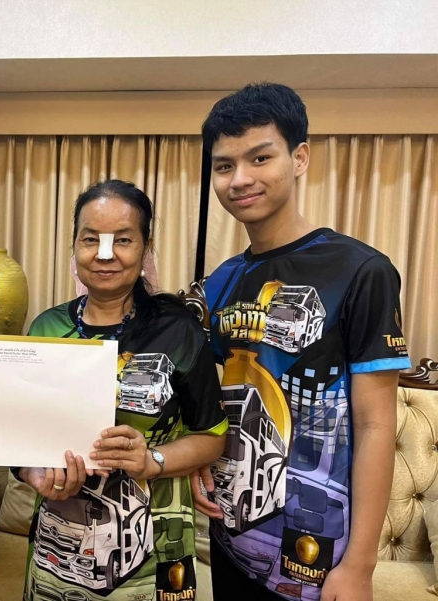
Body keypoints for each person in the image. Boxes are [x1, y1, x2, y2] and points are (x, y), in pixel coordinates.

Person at [191, 83, 412, 601]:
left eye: (259, 158)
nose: (239, 179)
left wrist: (360, 567)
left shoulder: (362, 270)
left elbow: (376, 425)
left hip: (318, 556)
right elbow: (216, 397)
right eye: (224, 166)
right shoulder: (221, 281)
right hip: (231, 536)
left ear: (299, 158)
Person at [19, 179, 227, 600]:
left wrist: (152, 460)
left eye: (123, 240)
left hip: (154, 537)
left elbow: (211, 436)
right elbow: (19, 433)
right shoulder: (46, 328)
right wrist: (30, 471)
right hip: (61, 534)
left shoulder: (178, 330)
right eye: (90, 239)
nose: (105, 254)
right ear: (74, 246)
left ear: (146, 248)